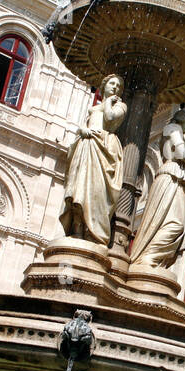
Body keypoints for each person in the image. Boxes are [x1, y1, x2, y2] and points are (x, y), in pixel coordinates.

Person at [60, 74, 127, 245]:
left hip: (104, 147)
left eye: (118, 86)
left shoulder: (120, 106)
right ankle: (77, 228)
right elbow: (85, 125)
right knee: (78, 189)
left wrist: (109, 103)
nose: (115, 88)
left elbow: (110, 118)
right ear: (103, 86)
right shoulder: (94, 108)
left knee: (97, 191)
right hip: (87, 146)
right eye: (112, 83)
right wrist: (82, 130)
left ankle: (93, 232)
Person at [129, 112, 185, 269]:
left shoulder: (174, 130)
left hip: (174, 178)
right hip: (171, 177)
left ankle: (152, 259)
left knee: (173, 224)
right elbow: (181, 152)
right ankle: (149, 258)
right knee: (175, 224)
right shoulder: (173, 128)